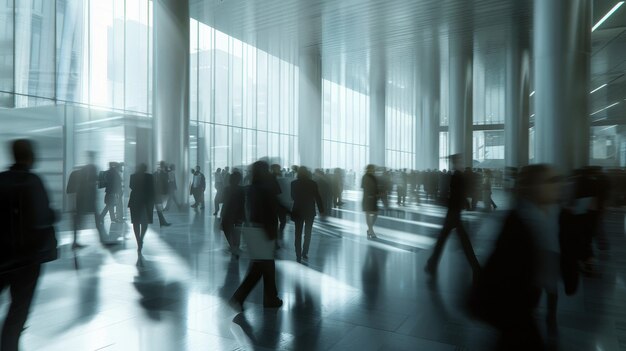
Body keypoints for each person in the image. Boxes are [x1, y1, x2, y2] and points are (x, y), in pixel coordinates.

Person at [469, 164, 579, 350]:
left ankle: (550, 319)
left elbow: (566, 244)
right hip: (514, 306)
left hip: (525, 299)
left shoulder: (557, 213)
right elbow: (501, 268)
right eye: (551, 181)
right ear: (535, 186)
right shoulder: (517, 220)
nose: (558, 185)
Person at [0, 139, 57, 351]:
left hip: (2, 255)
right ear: (30, 155)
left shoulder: (1, 180)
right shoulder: (33, 181)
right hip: (27, 259)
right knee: (18, 309)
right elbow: (43, 217)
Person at [229, 161, 283, 312]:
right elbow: (275, 206)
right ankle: (239, 297)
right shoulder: (264, 188)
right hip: (264, 231)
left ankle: (270, 298)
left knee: (265, 265)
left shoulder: (251, 188)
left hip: (254, 230)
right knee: (261, 267)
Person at [424, 154, 481, 281]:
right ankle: (475, 268)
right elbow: (460, 193)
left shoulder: (455, 176)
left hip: (452, 213)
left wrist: (444, 201)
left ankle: (432, 264)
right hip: (454, 213)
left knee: (444, 239)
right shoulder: (458, 175)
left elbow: (452, 194)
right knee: (457, 240)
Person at [291, 167, 324, 262]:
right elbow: (317, 197)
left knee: (298, 233)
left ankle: (298, 254)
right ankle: (304, 252)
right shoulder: (313, 183)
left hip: (298, 210)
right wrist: (321, 210)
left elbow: (292, 197)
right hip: (309, 210)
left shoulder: (293, 183)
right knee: (308, 232)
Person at [69, 151, 100, 249]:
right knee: (93, 219)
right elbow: (92, 183)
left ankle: (75, 241)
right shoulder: (91, 169)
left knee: (79, 221)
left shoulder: (83, 171)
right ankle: (101, 239)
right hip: (85, 200)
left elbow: (71, 191)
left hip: (83, 200)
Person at [128, 163, 155, 255]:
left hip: (135, 201)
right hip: (146, 202)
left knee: (135, 222)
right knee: (145, 222)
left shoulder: (133, 176)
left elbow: (131, 186)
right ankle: (141, 239)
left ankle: (138, 241)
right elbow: (152, 189)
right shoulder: (150, 177)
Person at [220, 171, 245, 256]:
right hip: (239, 213)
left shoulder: (227, 189)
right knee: (237, 230)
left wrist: (221, 214)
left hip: (228, 212)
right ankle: (236, 246)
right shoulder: (242, 189)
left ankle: (232, 246)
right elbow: (244, 202)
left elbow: (223, 201)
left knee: (227, 229)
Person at [362, 164, 379, 239]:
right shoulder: (365, 177)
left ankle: (369, 229)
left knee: (375, 213)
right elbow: (364, 187)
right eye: (372, 169)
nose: (373, 170)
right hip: (367, 198)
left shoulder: (374, 177)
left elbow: (376, 187)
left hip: (373, 198)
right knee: (368, 214)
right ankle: (371, 231)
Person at [153, 161, 171, 227]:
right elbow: (166, 182)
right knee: (159, 208)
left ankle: (162, 222)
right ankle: (163, 222)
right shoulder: (163, 174)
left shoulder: (156, 173)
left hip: (156, 193)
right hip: (157, 193)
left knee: (159, 209)